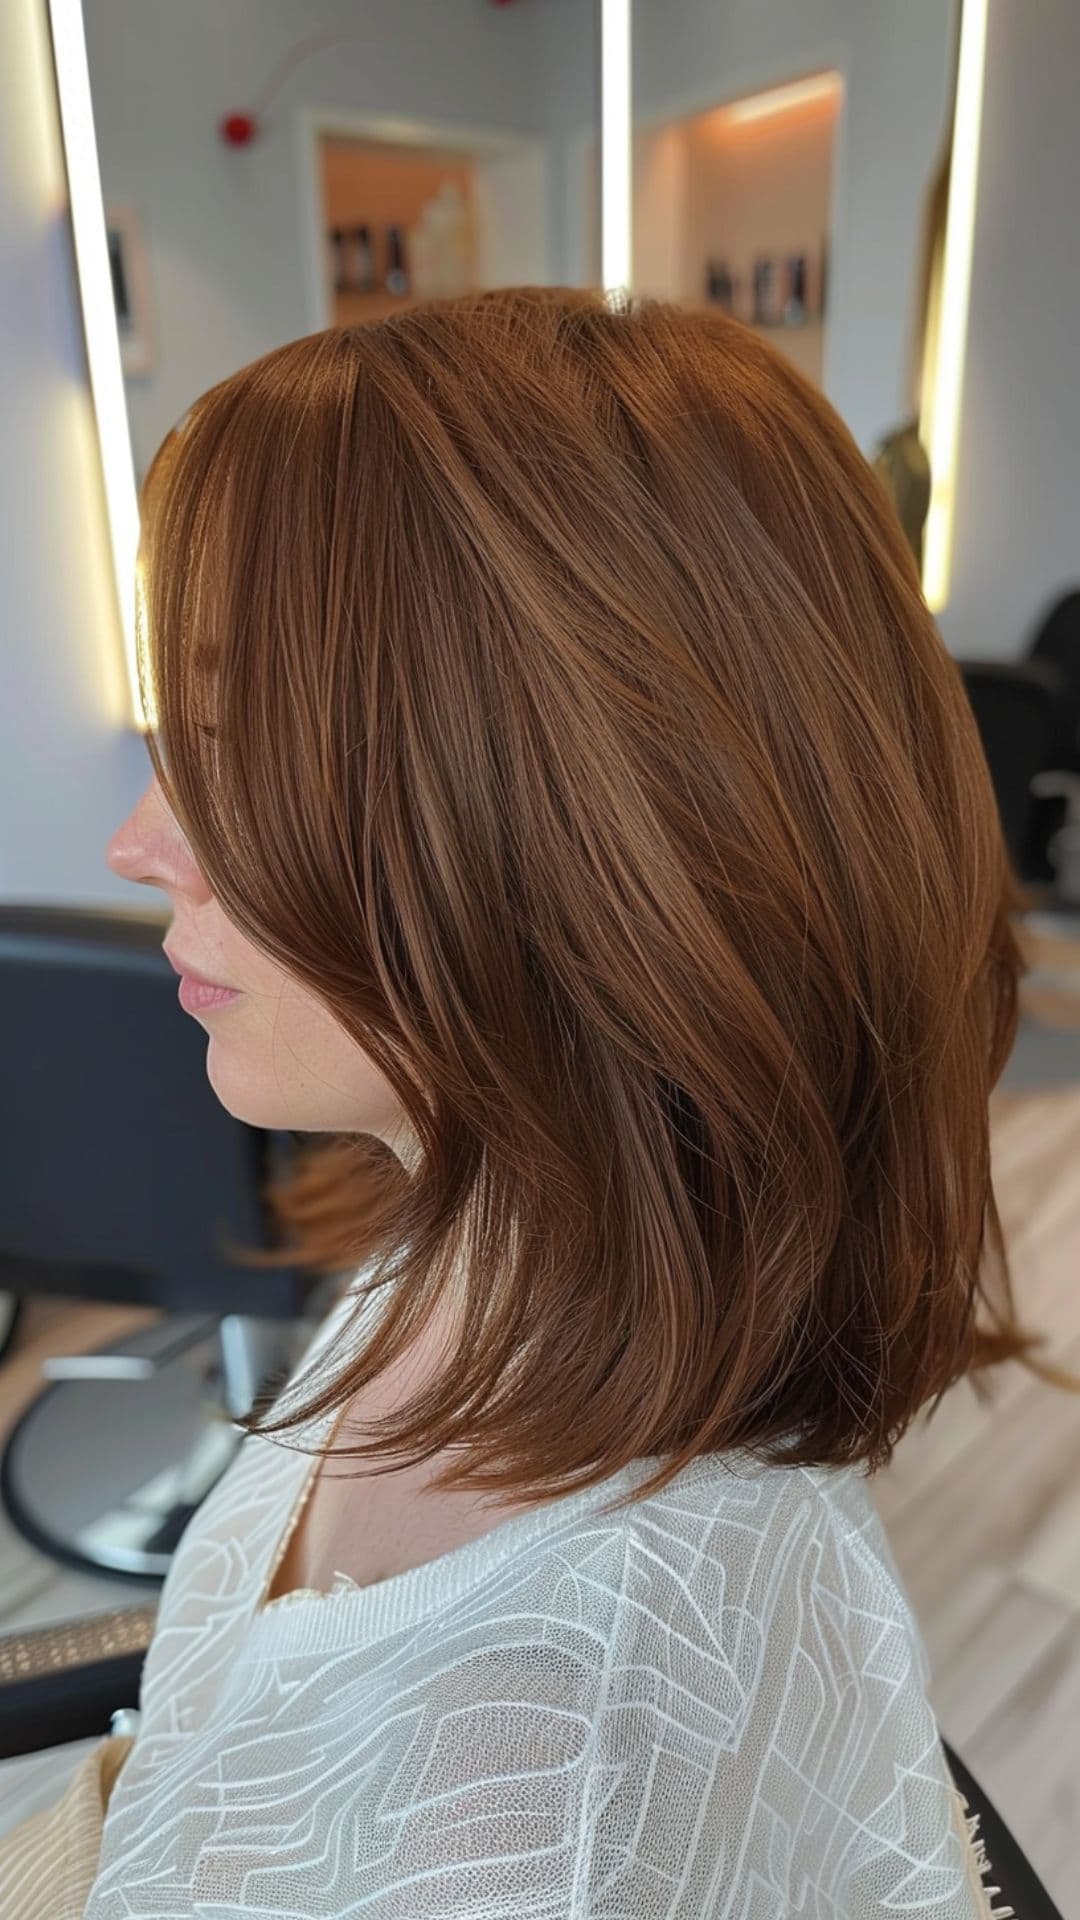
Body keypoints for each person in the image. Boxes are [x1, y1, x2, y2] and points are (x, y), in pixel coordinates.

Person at [54, 286, 1054, 1913]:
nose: (142, 840)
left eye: (236, 735)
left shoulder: (552, 1772)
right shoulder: (471, 1223)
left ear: (579, 829)